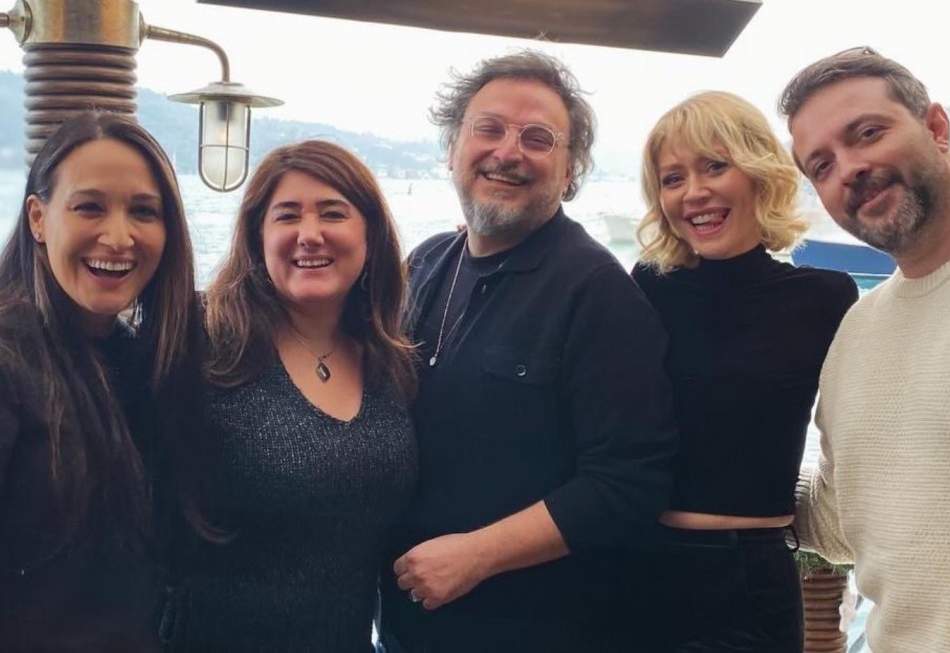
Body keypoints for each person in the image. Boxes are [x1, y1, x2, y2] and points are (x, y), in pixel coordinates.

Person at [380, 50, 677, 653]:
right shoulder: (427, 262)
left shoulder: (598, 293)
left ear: (570, 172)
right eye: (488, 129)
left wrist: (477, 555)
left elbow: (630, 483)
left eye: (537, 138)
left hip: (539, 629)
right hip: (408, 626)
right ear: (453, 149)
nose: (508, 152)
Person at [780, 47, 950, 653]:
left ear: (936, 127)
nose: (849, 169)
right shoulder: (856, 333)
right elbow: (840, 521)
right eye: (822, 165)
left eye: (868, 133)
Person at [160, 140, 417, 652]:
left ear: (370, 235)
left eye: (333, 213)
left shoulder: (390, 359)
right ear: (258, 236)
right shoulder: (200, 337)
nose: (309, 233)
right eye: (287, 215)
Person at [624, 91, 857, 652]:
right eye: (673, 178)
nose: (693, 191)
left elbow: (860, 437)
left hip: (752, 582)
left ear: (758, 173)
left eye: (714, 166)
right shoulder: (649, 286)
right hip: (635, 568)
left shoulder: (825, 297)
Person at [0, 112, 205, 651]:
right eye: (89, 207)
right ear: (38, 218)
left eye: (143, 211)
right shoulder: (9, 362)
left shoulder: (141, 361)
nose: (118, 237)